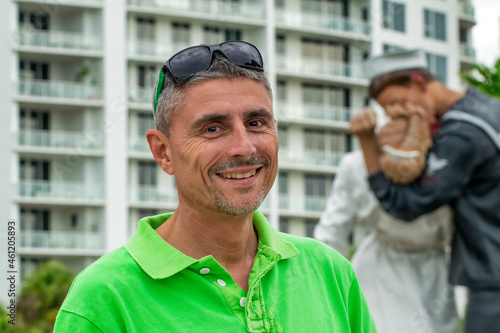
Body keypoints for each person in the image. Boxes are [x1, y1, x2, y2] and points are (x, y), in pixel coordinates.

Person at [54, 41, 377, 332]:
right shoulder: (103, 299)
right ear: (163, 153)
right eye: (212, 128)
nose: (245, 147)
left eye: (255, 123)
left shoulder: (329, 272)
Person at [350, 49, 500, 332]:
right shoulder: (487, 108)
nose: (396, 113)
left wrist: (368, 144)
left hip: (493, 280)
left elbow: (406, 205)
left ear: (418, 82)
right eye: (388, 111)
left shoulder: (463, 134)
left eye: (396, 101)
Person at [315, 150, 458, 333]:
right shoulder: (357, 165)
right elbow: (331, 238)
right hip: (379, 272)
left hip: (435, 276)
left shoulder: (451, 162)